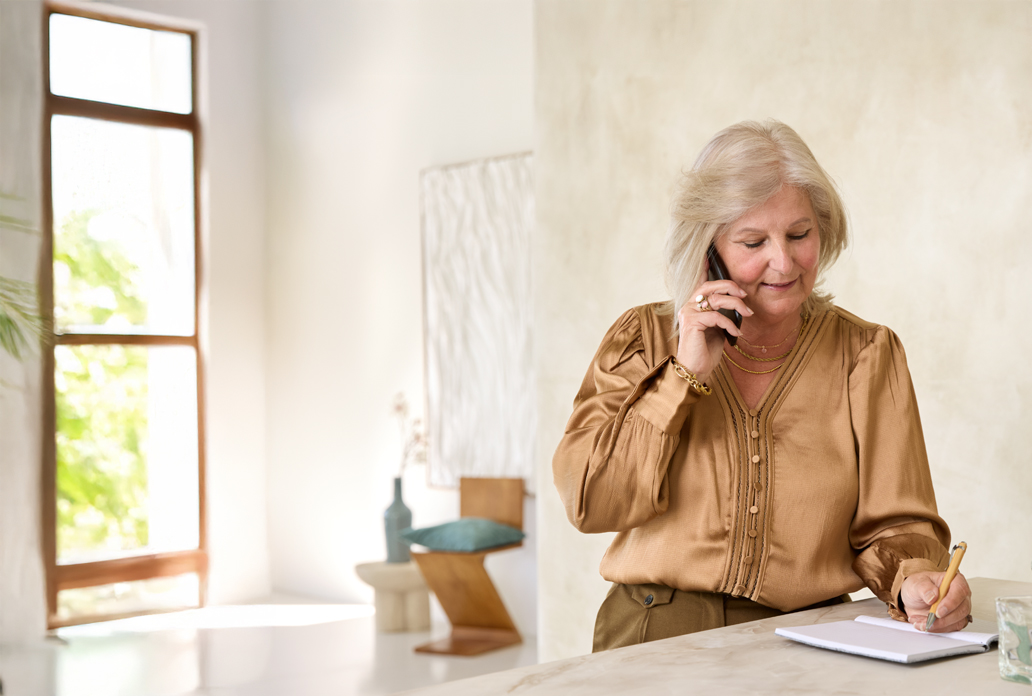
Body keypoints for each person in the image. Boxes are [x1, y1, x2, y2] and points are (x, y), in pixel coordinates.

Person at [552, 120, 972, 652]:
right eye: (753, 241)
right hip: (656, 638)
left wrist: (914, 577)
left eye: (800, 234)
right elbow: (591, 501)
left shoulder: (866, 354)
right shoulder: (642, 339)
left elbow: (897, 524)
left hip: (812, 643)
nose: (784, 261)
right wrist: (682, 376)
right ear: (708, 250)